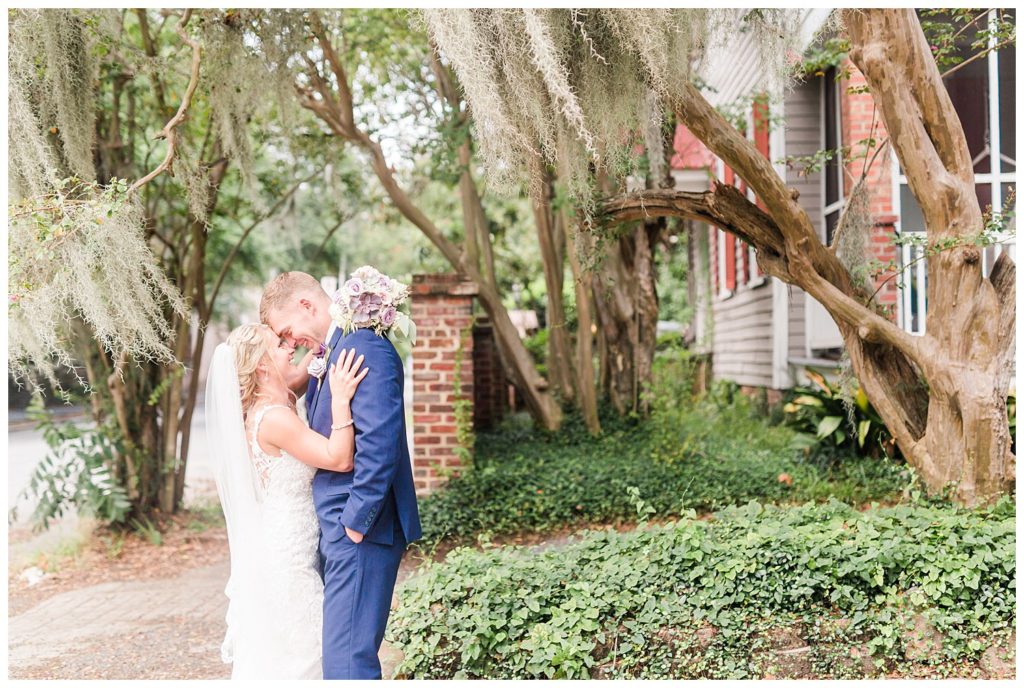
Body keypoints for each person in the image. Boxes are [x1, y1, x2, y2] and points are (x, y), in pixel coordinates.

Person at [261, 270, 421, 680]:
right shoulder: (332, 352)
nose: (290, 343)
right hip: (338, 532)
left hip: (361, 533)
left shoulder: (363, 349)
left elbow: (380, 444)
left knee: (348, 664)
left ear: (306, 305)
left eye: (286, 331)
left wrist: (355, 522)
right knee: (342, 659)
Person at [206, 322, 367, 679]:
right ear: (262, 364)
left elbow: (295, 376)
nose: (289, 347)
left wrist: (321, 347)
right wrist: (340, 400)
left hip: (285, 545)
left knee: (295, 657)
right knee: (305, 658)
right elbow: (339, 458)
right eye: (279, 344)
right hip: (289, 562)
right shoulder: (275, 417)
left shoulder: (269, 406)